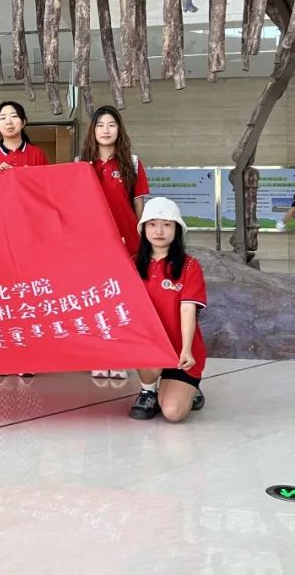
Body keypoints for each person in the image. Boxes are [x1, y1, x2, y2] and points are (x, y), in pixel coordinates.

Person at [79, 104, 149, 380]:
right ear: (92, 130)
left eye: (111, 124)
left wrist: (143, 239)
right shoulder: (81, 164)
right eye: (100, 125)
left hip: (127, 243)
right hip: (93, 244)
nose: (105, 130)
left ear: (119, 129)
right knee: (97, 301)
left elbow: (139, 204)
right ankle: (100, 356)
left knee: (122, 301)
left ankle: (120, 357)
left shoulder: (132, 162)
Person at [127, 197, 208, 422]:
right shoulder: (132, 264)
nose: (159, 231)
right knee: (149, 355)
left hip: (181, 353)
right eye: (152, 224)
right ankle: (148, 391)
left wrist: (186, 350)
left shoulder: (189, 266)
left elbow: (188, 310)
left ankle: (189, 389)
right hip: (151, 347)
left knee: (173, 413)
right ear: (144, 228)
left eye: (167, 224)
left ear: (177, 229)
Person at [0, 100, 49, 177]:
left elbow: (46, 182)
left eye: (14, 116)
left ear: (23, 122)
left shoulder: (37, 153)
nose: (8, 122)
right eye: (3, 118)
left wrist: (29, 175)